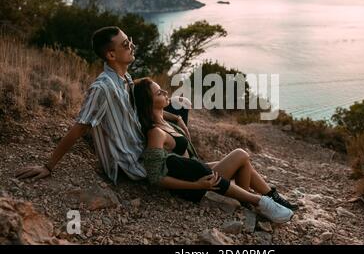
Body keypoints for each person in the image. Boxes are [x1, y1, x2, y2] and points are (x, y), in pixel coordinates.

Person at [15, 26, 187, 184]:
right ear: (111, 55)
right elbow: (80, 128)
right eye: (126, 44)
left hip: (141, 144)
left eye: (130, 41)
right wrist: (48, 167)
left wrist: (175, 118)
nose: (132, 46)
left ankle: (188, 158)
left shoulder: (125, 78)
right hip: (131, 161)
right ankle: (190, 164)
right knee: (203, 171)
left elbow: (145, 107)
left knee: (181, 106)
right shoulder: (103, 88)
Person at [134, 77, 297, 223]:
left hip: (197, 169)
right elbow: (155, 177)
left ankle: (260, 200)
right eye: (159, 93)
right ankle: (260, 202)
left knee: (244, 163)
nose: (164, 92)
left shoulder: (164, 121)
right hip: (192, 184)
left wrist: (177, 118)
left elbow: (165, 113)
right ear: (149, 102)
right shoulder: (156, 133)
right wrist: (196, 186)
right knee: (240, 154)